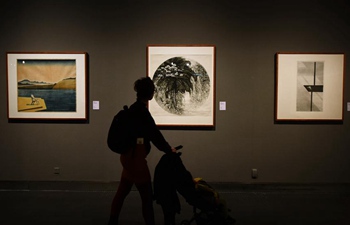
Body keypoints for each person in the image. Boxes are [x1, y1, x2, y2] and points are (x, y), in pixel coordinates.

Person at [108, 77, 177, 225]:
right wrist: (168, 149)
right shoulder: (143, 113)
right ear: (151, 94)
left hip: (126, 156)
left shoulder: (132, 109)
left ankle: (112, 221)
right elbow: (155, 135)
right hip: (136, 160)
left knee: (122, 191)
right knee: (146, 196)